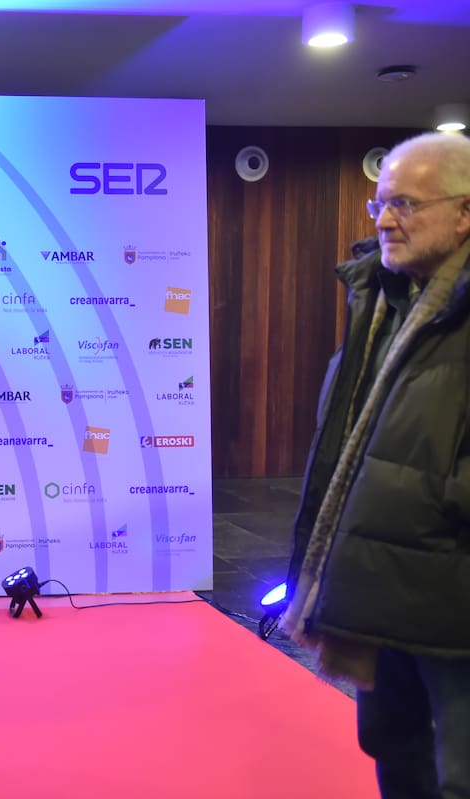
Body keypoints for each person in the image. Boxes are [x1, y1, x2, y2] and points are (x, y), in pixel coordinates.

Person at [283, 131, 470, 798]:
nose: (386, 220)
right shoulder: (381, 296)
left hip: (451, 591)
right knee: (394, 748)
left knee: (460, 772)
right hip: (378, 582)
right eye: (380, 203)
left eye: (406, 204)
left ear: (465, 213)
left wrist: (435, 509)